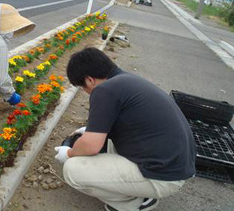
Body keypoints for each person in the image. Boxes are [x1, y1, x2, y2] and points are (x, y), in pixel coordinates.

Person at [54, 47, 196, 211]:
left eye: (83, 87)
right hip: (176, 166)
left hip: (162, 176)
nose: (86, 92)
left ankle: (133, 203)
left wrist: (68, 154)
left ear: (89, 80)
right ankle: (139, 190)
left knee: (73, 170)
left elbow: (91, 146)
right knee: (107, 142)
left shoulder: (104, 90)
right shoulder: (126, 80)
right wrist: (90, 130)